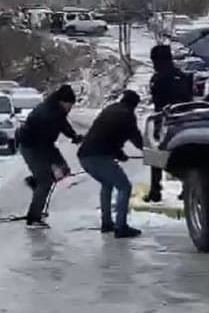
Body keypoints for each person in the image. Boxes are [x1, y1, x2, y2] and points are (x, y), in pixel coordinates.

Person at [77, 90, 143, 239]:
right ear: (134, 105)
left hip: (85, 155)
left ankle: (107, 223)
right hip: (98, 156)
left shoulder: (111, 109)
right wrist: (148, 150)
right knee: (124, 186)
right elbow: (136, 137)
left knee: (107, 184)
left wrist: (119, 154)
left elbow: (107, 134)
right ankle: (121, 227)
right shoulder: (127, 115)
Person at [18, 85, 83, 229]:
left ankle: (35, 182)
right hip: (31, 146)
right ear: (62, 102)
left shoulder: (56, 110)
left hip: (44, 144)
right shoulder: (47, 114)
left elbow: (63, 124)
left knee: (64, 169)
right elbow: (43, 147)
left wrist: (73, 136)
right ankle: (33, 218)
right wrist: (53, 164)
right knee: (46, 181)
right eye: (69, 105)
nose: (70, 108)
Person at [143, 44, 193, 203]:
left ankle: (155, 190)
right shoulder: (182, 76)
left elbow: (157, 99)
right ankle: (187, 189)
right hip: (183, 119)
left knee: (156, 154)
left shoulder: (157, 78)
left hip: (164, 119)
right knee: (184, 155)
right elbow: (189, 98)